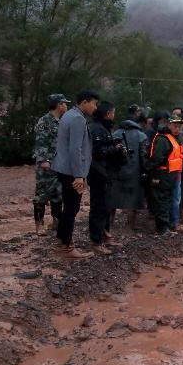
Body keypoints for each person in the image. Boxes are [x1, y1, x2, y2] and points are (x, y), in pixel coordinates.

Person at [51, 90, 98, 258]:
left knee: (68, 207)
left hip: (63, 168)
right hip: (72, 171)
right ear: (84, 102)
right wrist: (79, 175)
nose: (95, 107)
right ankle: (67, 247)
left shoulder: (68, 114)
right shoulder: (78, 118)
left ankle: (61, 240)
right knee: (72, 208)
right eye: (94, 103)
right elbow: (75, 149)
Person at [87, 101, 126, 254]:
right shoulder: (97, 128)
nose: (114, 116)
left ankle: (104, 235)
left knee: (106, 207)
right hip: (98, 173)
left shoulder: (104, 128)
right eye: (113, 113)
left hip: (105, 173)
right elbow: (97, 152)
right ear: (108, 113)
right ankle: (96, 242)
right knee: (98, 207)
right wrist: (114, 149)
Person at [33, 94, 68, 236]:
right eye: (65, 103)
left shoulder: (60, 121)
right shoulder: (44, 121)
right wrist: (44, 161)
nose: (66, 106)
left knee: (58, 195)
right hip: (46, 166)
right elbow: (41, 142)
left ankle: (56, 222)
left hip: (59, 165)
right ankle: (39, 225)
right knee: (41, 195)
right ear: (59, 105)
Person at [111, 110, 148, 233]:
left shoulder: (115, 134)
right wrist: (145, 171)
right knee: (133, 199)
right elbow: (143, 156)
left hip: (117, 172)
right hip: (135, 172)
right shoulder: (141, 135)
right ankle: (129, 225)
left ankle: (109, 224)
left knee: (113, 197)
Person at [148, 116, 183, 235]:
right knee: (162, 202)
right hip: (162, 175)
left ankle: (165, 227)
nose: (177, 128)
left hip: (170, 176)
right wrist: (152, 174)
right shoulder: (163, 139)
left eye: (179, 126)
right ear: (168, 124)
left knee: (167, 200)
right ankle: (162, 229)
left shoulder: (173, 138)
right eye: (175, 125)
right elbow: (156, 159)